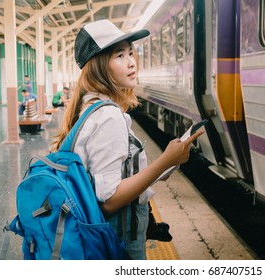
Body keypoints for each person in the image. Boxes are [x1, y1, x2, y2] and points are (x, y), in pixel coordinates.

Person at [50, 19, 204, 260]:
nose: (132, 62)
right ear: (99, 67)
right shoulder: (109, 117)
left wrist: (168, 163)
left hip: (110, 232)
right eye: (119, 56)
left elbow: (112, 174)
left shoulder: (89, 105)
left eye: (130, 52)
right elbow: (110, 200)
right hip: (118, 238)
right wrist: (164, 161)